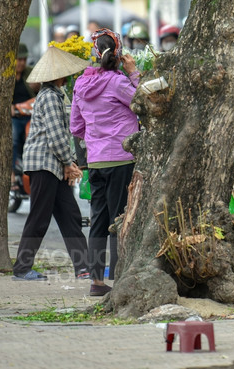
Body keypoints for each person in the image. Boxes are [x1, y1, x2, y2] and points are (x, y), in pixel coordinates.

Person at [71, 28, 141, 296]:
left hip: (96, 161)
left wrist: (96, 134)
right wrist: (134, 72)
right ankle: (121, 278)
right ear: (118, 53)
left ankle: (97, 282)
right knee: (121, 219)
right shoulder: (118, 82)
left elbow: (76, 126)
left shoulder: (80, 84)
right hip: (122, 159)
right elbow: (143, 103)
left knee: (99, 220)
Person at [12, 46, 91, 281]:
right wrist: (69, 163)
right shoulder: (49, 97)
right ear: (58, 75)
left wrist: (66, 164)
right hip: (45, 165)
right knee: (39, 217)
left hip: (53, 166)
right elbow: (57, 136)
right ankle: (22, 268)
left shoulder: (53, 95)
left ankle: (84, 267)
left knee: (70, 216)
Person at [11, 44, 40, 172]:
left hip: (31, 115)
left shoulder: (30, 73)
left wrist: (37, 86)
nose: (21, 63)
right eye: (19, 59)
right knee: (14, 139)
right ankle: (12, 173)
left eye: (24, 59)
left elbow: (38, 94)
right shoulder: (6, 76)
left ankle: (31, 170)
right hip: (15, 117)